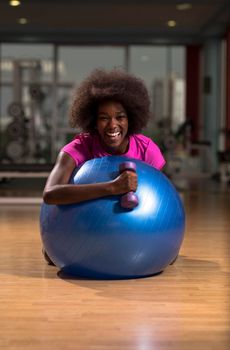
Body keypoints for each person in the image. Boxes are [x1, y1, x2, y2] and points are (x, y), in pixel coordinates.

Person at [43, 68, 166, 208]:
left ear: (130, 119)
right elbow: (50, 194)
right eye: (104, 118)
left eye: (120, 117)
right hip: (85, 228)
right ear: (94, 122)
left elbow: (161, 197)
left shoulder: (146, 150)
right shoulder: (80, 148)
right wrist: (112, 187)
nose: (112, 125)